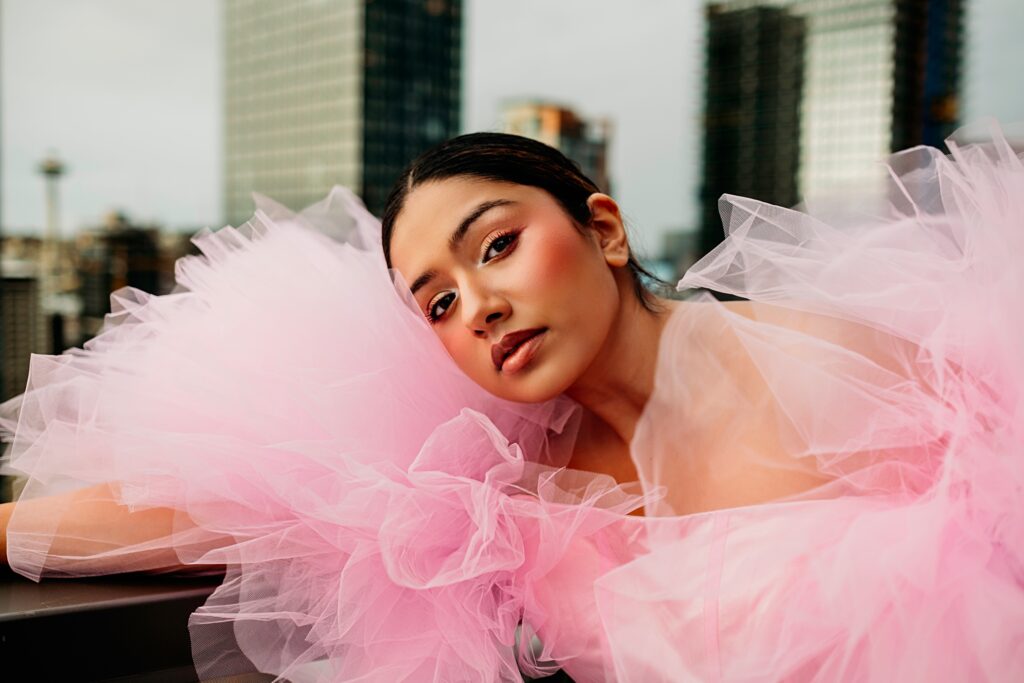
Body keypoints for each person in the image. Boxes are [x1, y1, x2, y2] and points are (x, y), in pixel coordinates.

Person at [1, 121, 1023, 682]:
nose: (480, 304)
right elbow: (246, 504)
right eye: (439, 300)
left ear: (606, 230)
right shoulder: (510, 474)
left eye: (496, 245)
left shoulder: (821, 367)